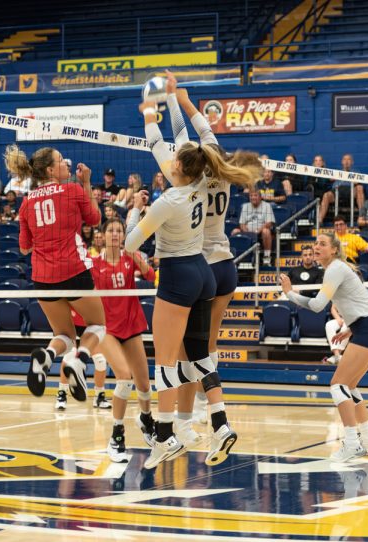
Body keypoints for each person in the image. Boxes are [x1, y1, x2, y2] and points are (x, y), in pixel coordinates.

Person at [128, 92, 259, 469]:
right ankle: (214, 422)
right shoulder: (211, 170)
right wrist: (176, 99)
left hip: (186, 268)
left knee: (169, 359)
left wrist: (157, 106)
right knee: (200, 353)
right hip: (216, 271)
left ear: (180, 167)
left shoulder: (177, 193)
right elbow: (196, 131)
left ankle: (169, 431)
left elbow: (164, 140)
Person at [168, 78, 263, 437]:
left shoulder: (186, 178)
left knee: (184, 348)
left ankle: (184, 421)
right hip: (225, 266)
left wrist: (169, 101)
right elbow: (202, 129)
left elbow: (179, 131)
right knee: (207, 346)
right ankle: (204, 414)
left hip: (199, 268)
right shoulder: (219, 168)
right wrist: (185, 99)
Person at [5, 143, 105, 403]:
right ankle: (80, 361)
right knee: (98, 325)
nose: (67, 165)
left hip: (43, 277)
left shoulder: (26, 203)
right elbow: (95, 219)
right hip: (73, 269)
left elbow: (25, 248)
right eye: (61, 161)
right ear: (50, 169)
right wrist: (86, 183)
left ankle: (48, 356)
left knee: (65, 336)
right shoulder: (72, 190)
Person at [280, 232, 368, 462]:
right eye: (315, 243)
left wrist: (290, 294)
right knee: (349, 386)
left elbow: (318, 306)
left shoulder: (335, 269)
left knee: (337, 384)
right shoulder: (336, 269)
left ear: (334, 250)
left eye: (322, 244)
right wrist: (351, 327)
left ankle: (351, 443)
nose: (316, 247)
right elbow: (360, 302)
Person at [73, 218, 157, 461]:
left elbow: (151, 276)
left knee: (144, 384)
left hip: (131, 324)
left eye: (119, 231)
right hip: (106, 329)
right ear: (102, 235)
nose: (115, 234)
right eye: (111, 230)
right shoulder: (93, 264)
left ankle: (146, 418)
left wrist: (136, 254)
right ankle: (116, 436)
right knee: (124, 377)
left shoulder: (130, 257)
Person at [233, 189, 275, 265]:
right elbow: (242, 223)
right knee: (235, 231)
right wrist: (246, 231)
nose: (253, 197)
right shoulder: (245, 206)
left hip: (260, 231)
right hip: (247, 231)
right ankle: (236, 257)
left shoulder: (267, 205)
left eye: (255, 195)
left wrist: (258, 230)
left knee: (266, 231)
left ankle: (267, 257)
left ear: (260, 197)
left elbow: (269, 223)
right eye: (251, 196)